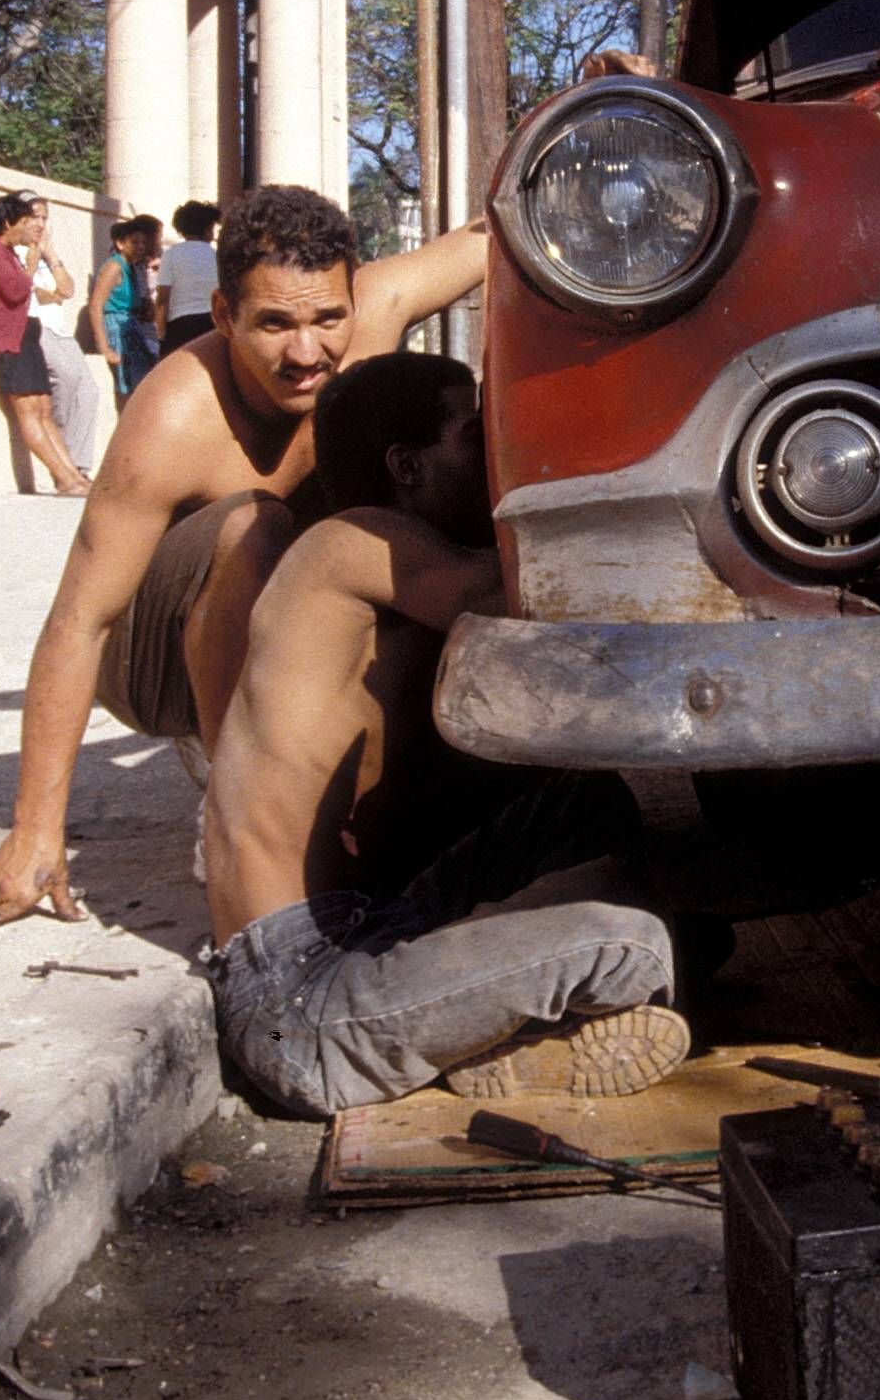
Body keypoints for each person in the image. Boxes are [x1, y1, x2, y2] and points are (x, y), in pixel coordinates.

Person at [0, 182, 487, 926]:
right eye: (272, 325)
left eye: (328, 318)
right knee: (254, 524)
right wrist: (36, 831)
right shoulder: (171, 418)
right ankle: (240, 829)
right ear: (224, 314)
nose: (306, 351)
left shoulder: (376, 305)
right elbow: (81, 620)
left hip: (292, 625)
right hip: (157, 653)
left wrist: (616, 98)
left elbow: (500, 230)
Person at [202, 352, 687, 1112]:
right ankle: (501, 1031)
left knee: (581, 806)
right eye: (473, 434)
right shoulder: (348, 544)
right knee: (633, 941)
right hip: (294, 1003)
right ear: (406, 464)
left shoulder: (400, 593)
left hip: (368, 925)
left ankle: (490, 1014)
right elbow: (512, 589)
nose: (494, 456)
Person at [0, 193, 91, 495]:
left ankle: (72, 475)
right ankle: (63, 477)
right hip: (9, 339)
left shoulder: (7, 252)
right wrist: (32, 266)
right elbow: (15, 291)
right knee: (29, 410)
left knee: (44, 407)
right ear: (7, 223)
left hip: (26, 333)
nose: (30, 227)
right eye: (23, 221)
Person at [23, 209, 106, 477]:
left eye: (44, 218)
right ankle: (66, 463)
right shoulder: (17, 253)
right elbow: (34, 292)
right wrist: (48, 289)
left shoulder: (46, 257)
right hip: (37, 327)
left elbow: (67, 290)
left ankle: (79, 465)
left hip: (60, 331)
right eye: (34, 216)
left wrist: (51, 255)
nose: (40, 223)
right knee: (67, 381)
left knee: (89, 392)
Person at [85, 214, 163, 406]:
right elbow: (95, 305)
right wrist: (104, 347)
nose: (141, 247)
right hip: (117, 327)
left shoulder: (132, 268)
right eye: (135, 242)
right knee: (128, 384)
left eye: (143, 243)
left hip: (132, 325)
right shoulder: (114, 266)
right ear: (121, 244)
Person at [156, 200, 221, 352]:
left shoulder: (171, 254)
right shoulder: (217, 256)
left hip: (180, 324)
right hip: (212, 322)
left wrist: (160, 332)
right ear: (208, 229)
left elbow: (163, 298)